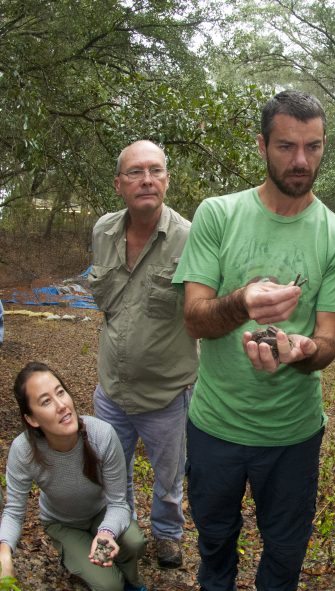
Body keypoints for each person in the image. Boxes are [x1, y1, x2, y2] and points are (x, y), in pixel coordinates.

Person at [172, 90, 335, 591]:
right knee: (214, 538)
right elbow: (194, 319)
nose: (300, 161)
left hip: (292, 434)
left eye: (313, 147)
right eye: (286, 146)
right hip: (215, 425)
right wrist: (242, 303)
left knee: (285, 548)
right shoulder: (218, 215)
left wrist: (301, 351)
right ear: (262, 146)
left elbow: (326, 342)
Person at [88, 140, 198, 569]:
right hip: (111, 389)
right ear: (120, 184)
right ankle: (125, 531)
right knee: (114, 476)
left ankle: (169, 534)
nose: (146, 179)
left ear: (167, 180)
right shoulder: (102, 231)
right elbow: (109, 301)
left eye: (155, 170)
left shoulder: (189, 238)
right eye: (135, 172)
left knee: (169, 479)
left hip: (166, 394)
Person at [0, 362, 147, 591]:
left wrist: (106, 533)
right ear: (32, 419)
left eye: (60, 392)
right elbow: (14, 512)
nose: (61, 406)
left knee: (134, 542)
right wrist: (4, 551)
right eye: (46, 401)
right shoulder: (24, 451)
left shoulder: (102, 435)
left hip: (101, 513)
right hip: (63, 523)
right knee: (110, 586)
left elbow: (119, 502)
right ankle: (76, 556)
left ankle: (132, 582)